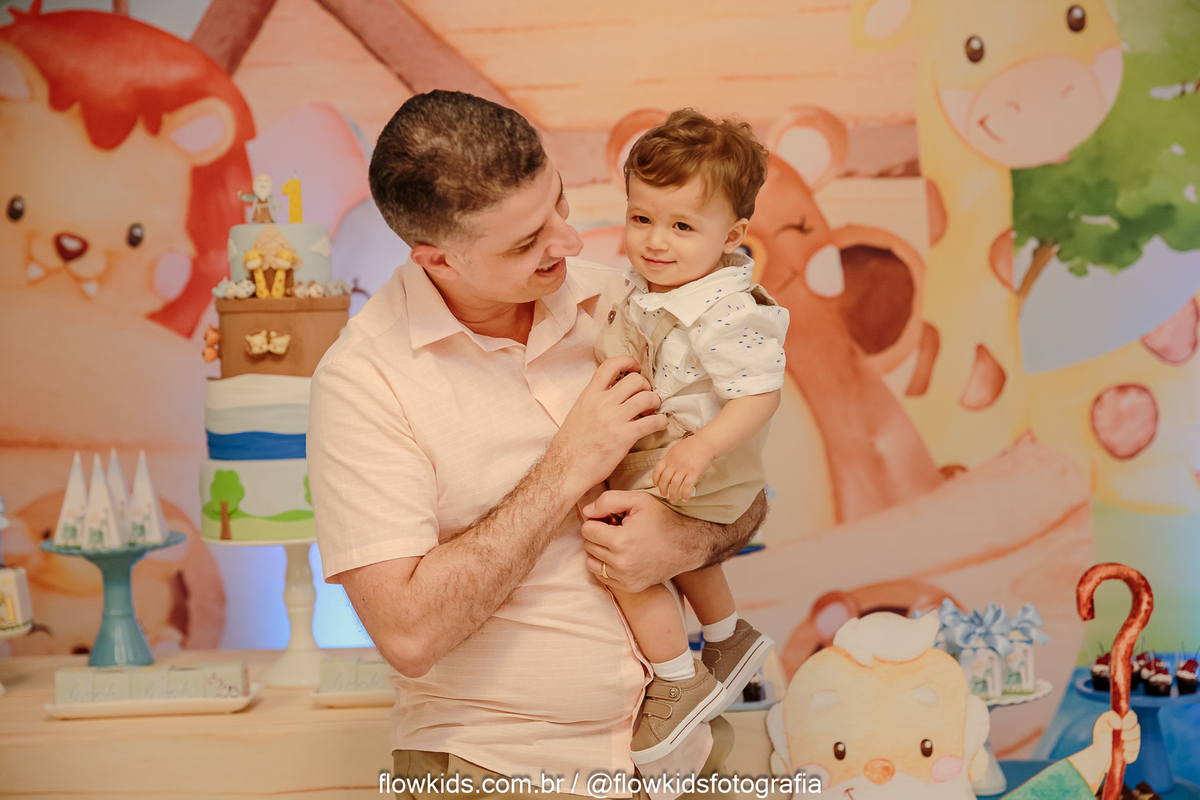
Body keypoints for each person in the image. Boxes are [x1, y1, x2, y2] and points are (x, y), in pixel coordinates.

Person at [307, 90, 767, 798]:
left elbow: (746, 496)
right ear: (439, 260)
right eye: (526, 243)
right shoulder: (364, 382)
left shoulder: (625, 303)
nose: (570, 242)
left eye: (558, 203)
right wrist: (566, 466)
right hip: (496, 770)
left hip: (679, 761)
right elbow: (407, 635)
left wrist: (681, 542)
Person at [594, 109, 787, 765]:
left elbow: (759, 394)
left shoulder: (725, 308)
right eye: (641, 218)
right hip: (673, 455)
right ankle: (728, 638)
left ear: (731, 235)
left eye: (682, 227)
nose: (655, 241)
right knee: (677, 554)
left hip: (705, 463)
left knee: (621, 552)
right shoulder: (649, 285)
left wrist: (700, 448)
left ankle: (678, 680)